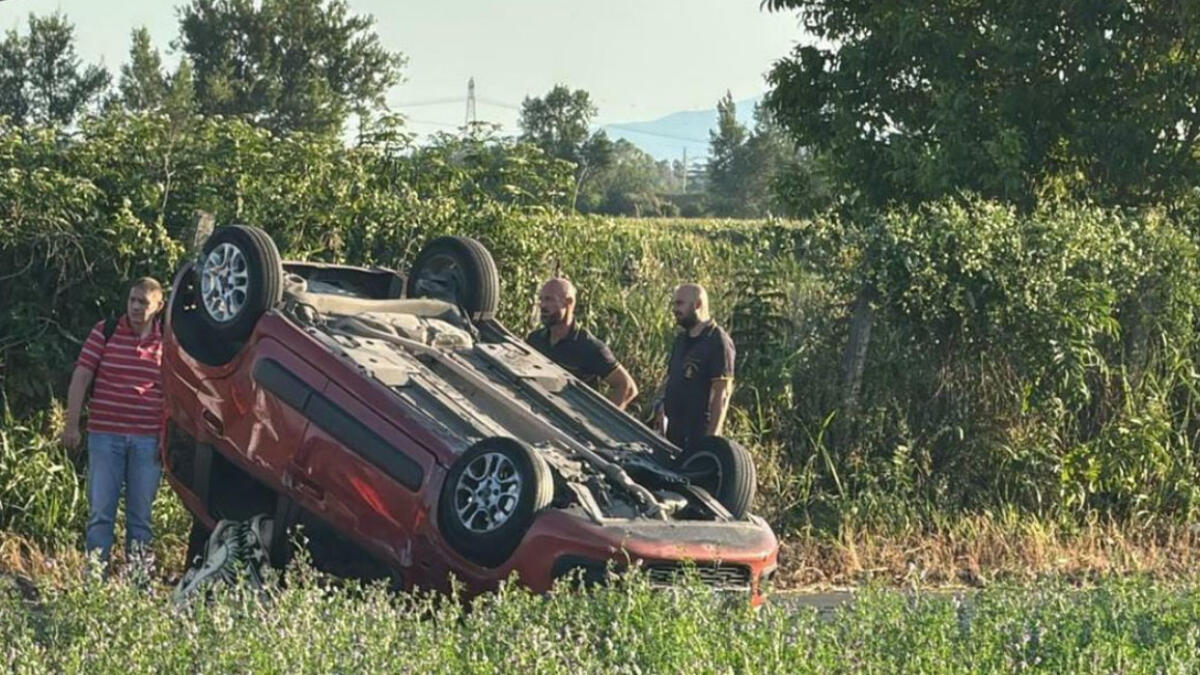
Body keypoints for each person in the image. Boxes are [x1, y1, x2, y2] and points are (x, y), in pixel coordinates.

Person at [62, 277, 166, 565]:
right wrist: (71, 425)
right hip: (105, 435)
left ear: (158, 306)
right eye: (132, 300)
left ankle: (138, 585)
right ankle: (95, 579)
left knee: (141, 516)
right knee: (100, 513)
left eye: (143, 302)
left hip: (147, 439)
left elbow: (174, 392)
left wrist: (168, 439)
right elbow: (82, 376)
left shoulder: (167, 341)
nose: (135, 307)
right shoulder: (105, 331)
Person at [526, 277, 638, 409]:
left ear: (569, 302)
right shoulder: (535, 340)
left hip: (567, 423)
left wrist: (598, 421)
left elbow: (627, 387)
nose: (543, 305)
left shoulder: (589, 348)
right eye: (542, 299)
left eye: (550, 299)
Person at [654, 283, 736, 451]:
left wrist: (711, 440)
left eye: (680, 303)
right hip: (672, 433)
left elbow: (722, 393)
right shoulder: (681, 341)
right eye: (674, 304)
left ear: (697, 305)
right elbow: (671, 380)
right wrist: (659, 408)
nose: (674, 309)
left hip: (697, 435)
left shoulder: (717, 340)